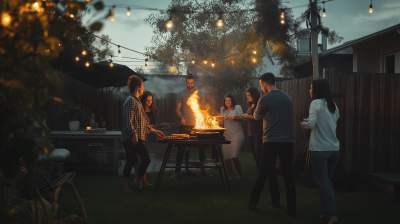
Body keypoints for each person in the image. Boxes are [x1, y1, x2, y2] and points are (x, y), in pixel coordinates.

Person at [248, 73, 296, 218]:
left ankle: (253, 203)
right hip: (288, 141)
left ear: (264, 83)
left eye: (261, 84)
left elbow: (256, 116)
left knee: (263, 172)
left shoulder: (265, 98)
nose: (261, 87)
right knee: (288, 175)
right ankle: (291, 209)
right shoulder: (287, 97)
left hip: (271, 141)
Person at [300, 79, 340, 224]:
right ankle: (324, 211)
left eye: (311, 89)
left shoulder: (315, 103)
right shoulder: (333, 105)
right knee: (326, 181)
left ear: (317, 90)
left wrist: (302, 124)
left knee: (323, 182)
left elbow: (310, 125)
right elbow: (331, 121)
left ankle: (333, 215)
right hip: (334, 150)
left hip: (320, 150)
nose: (310, 91)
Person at [121, 75, 165, 192]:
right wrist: (134, 135)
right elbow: (127, 121)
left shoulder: (138, 102)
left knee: (135, 160)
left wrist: (155, 131)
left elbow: (143, 123)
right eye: (142, 85)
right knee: (140, 160)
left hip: (138, 137)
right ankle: (131, 184)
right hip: (131, 138)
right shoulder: (130, 101)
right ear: (137, 87)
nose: (144, 87)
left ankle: (134, 182)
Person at [173, 74, 211, 178]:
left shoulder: (200, 92)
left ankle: (203, 170)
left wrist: (203, 119)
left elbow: (202, 108)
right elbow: (177, 109)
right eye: (188, 83)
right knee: (181, 148)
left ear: (194, 82)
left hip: (198, 126)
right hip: (185, 125)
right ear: (185, 82)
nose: (190, 85)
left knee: (201, 147)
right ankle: (177, 172)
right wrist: (181, 117)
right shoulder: (181, 93)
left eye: (192, 83)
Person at [133, 91, 159, 187]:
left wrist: (148, 128)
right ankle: (138, 181)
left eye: (151, 100)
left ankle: (144, 180)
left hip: (147, 136)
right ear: (143, 100)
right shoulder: (139, 109)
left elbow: (153, 124)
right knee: (139, 159)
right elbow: (137, 123)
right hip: (138, 136)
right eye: (147, 100)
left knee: (144, 159)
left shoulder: (155, 110)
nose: (149, 102)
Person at [218, 94, 244, 180]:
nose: (227, 102)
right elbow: (222, 123)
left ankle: (240, 174)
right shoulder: (222, 109)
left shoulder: (237, 107)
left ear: (232, 101)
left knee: (234, 156)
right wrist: (216, 119)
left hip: (237, 135)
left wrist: (233, 118)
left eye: (229, 101)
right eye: (226, 101)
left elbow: (242, 118)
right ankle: (231, 176)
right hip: (226, 135)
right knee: (226, 157)